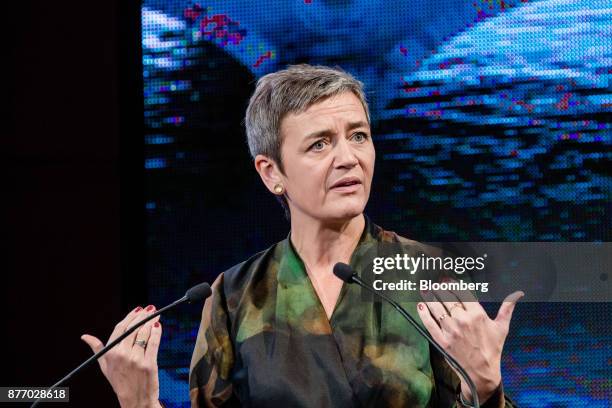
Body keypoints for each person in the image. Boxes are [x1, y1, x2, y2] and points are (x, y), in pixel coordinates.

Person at [82, 64, 522, 407]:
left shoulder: (428, 276)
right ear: (272, 172)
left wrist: (484, 387)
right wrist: (140, 402)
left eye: (359, 136)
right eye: (320, 144)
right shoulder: (235, 297)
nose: (348, 158)